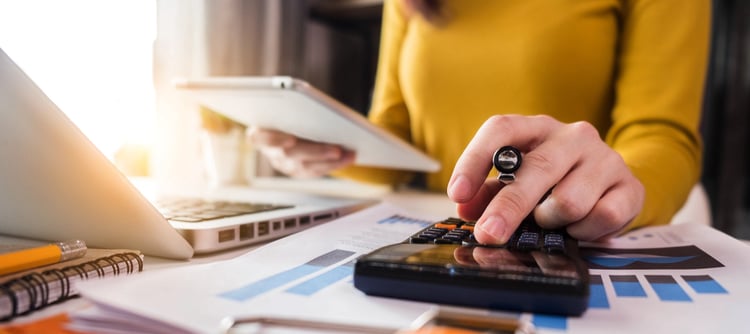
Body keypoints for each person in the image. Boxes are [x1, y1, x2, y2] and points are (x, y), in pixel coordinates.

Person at [249, 0, 710, 245]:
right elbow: (399, 136)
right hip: (439, 225)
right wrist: (329, 144)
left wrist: (620, 185)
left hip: (561, 225)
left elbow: (661, 133)